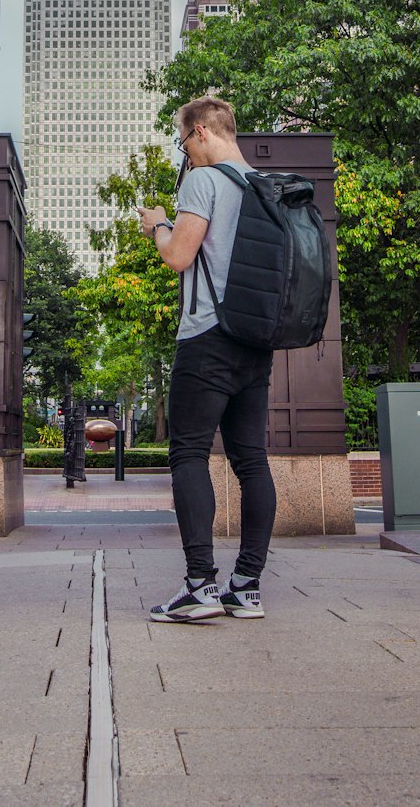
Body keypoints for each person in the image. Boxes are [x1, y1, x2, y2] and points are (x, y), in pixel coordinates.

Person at [139, 96, 276, 622]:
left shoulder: (205, 180)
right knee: (251, 462)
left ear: (200, 132)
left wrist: (157, 224)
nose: (186, 151)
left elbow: (179, 256)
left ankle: (200, 586)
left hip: (207, 339)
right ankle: (247, 586)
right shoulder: (261, 184)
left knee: (188, 454)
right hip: (254, 341)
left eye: (183, 141)